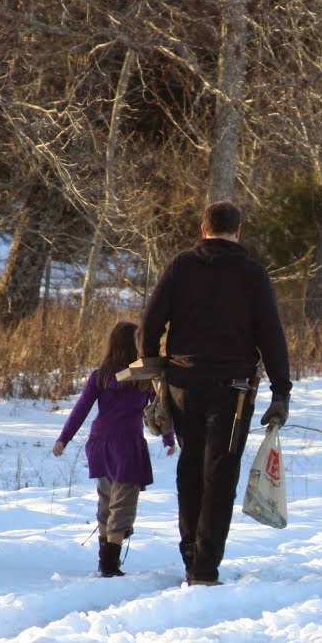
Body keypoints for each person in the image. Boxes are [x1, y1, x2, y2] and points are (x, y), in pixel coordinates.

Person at [138, 201, 291, 586]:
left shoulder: (180, 267)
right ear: (237, 231)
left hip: (182, 385)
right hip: (234, 391)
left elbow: (149, 326)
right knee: (219, 475)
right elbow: (271, 336)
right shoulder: (253, 275)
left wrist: (155, 369)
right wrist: (280, 390)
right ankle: (204, 568)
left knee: (190, 467)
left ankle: (190, 553)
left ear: (203, 230)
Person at [52, 321, 176, 577]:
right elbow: (160, 412)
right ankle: (110, 564)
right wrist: (168, 438)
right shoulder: (144, 377)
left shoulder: (101, 375)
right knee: (123, 503)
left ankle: (104, 560)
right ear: (137, 346)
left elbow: (81, 409)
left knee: (106, 500)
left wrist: (63, 438)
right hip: (128, 445)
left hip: (99, 443)